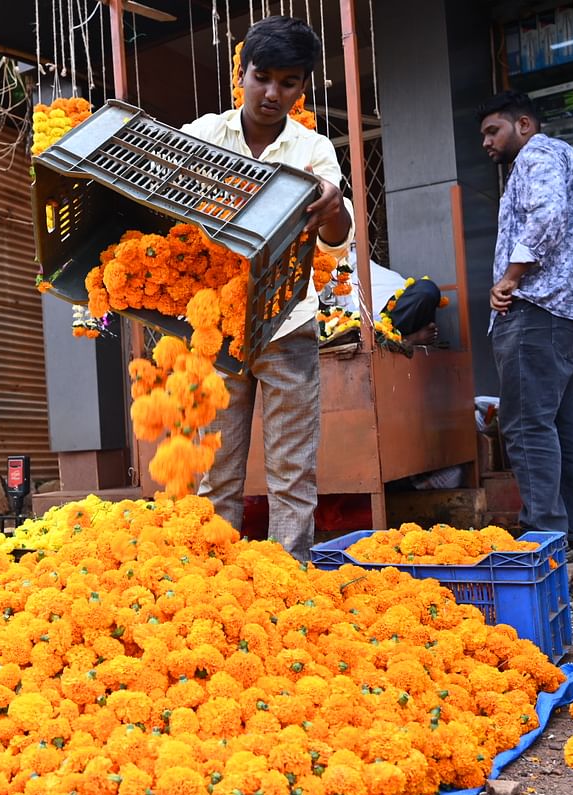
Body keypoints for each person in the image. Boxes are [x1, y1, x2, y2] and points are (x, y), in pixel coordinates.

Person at [185, 15, 354, 561]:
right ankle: (216, 583)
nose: (272, 93)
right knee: (215, 473)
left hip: (288, 325)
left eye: (288, 82)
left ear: (302, 87)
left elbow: (335, 241)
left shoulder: (313, 151)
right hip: (217, 332)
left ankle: (287, 583)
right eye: (262, 77)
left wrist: (331, 205)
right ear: (242, 73)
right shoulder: (203, 137)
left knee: (291, 474)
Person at [478, 90, 573, 557]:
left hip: (540, 308)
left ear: (523, 124)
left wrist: (510, 277)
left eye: (492, 131)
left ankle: (545, 531)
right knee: (565, 423)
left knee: (525, 423)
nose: (486, 142)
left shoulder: (536, 154)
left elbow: (547, 214)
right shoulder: (564, 156)